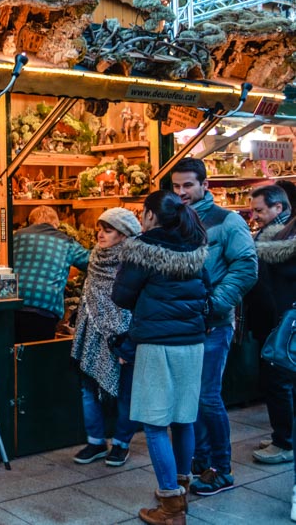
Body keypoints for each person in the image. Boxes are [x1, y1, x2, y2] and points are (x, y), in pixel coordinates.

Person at [112, 190, 210, 524]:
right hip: (193, 344)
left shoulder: (142, 249)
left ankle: (170, 508)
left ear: (151, 215)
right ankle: (181, 488)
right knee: (184, 419)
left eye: (143, 212)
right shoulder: (195, 247)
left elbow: (122, 296)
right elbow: (206, 292)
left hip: (156, 344)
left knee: (154, 424)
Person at [170, 157, 257, 496]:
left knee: (207, 396)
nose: (181, 192)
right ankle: (201, 460)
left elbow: (246, 267)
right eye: (176, 187)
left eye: (188, 185)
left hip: (214, 324)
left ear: (205, 185)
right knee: (190, 398)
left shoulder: (227, 220)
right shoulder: (176, 220)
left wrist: (214, 304)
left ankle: (222, 470)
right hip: (185, 323)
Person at [70, 208, 142, 467]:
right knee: (88, 388)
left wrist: (124, 336)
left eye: (107, 229)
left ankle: (121, 443)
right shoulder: (94, 258)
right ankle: (96, 441)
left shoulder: (135, 261)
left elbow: (133, 303)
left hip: (122, 334)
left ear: (124, 234)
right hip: (91, 334)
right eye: (99, 229)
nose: (100, 234)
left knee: (125, 392)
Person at [245, 185, 296, 466]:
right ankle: (284, 434)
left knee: (279, 382)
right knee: (281, 382)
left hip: (281, 323)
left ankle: (284, 442)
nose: (255, 216)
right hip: (276, 321)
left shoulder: (281, 242)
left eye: (260, 210)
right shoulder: (274, 236)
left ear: (279, 208)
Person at [13, 205, 89, 343]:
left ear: (31, 222)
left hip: (13, 304)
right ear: (55, 224)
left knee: (15, 355)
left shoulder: (17, 236)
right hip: (45, 307)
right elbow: (90, 262)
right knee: (38, 356)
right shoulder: (66, 242)